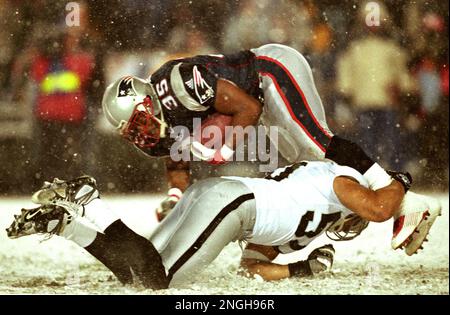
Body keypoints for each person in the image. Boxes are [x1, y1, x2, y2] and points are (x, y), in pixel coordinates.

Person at [101, 43, 440, 250]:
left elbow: (249, 107)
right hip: (257, 97)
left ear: (148, 101)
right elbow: (178, 160)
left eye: (140, 121)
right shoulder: (154, 130)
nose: (141, 133)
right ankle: (398, 202)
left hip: (270, 70)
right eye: (132, 130)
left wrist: (224, 150)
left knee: (316, 142)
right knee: (310, 170)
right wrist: (175, 198)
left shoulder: (180, 84)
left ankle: (391, 184)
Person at [6, 160, 441, 289]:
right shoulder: (342, 181)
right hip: (235, 204)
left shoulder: (307, 221)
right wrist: (401, 184)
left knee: (138, 273)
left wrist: (302, 269)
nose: (357, 223)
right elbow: (382, 209)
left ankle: (67, 224)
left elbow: (252, 266)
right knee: (157, 281)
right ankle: (91, 204)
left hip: (222, 198)